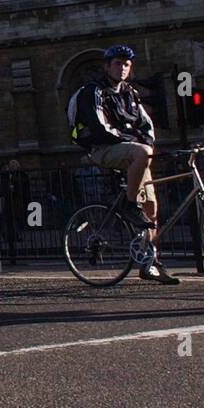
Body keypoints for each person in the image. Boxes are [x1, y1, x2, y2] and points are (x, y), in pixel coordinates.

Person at [68, 43, 179, 284]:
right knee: (141, 153)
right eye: (118, 63)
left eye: (126, 64)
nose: (123, 68)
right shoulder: (93, 91)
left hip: (132, 152)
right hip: (103, 148)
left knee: (151, 209)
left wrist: (146, 143)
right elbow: (99, 126)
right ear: (107, 66)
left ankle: (150, 264)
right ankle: (129, 204)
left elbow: (146, 125)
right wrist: (137, 143)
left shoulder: (130, 93)